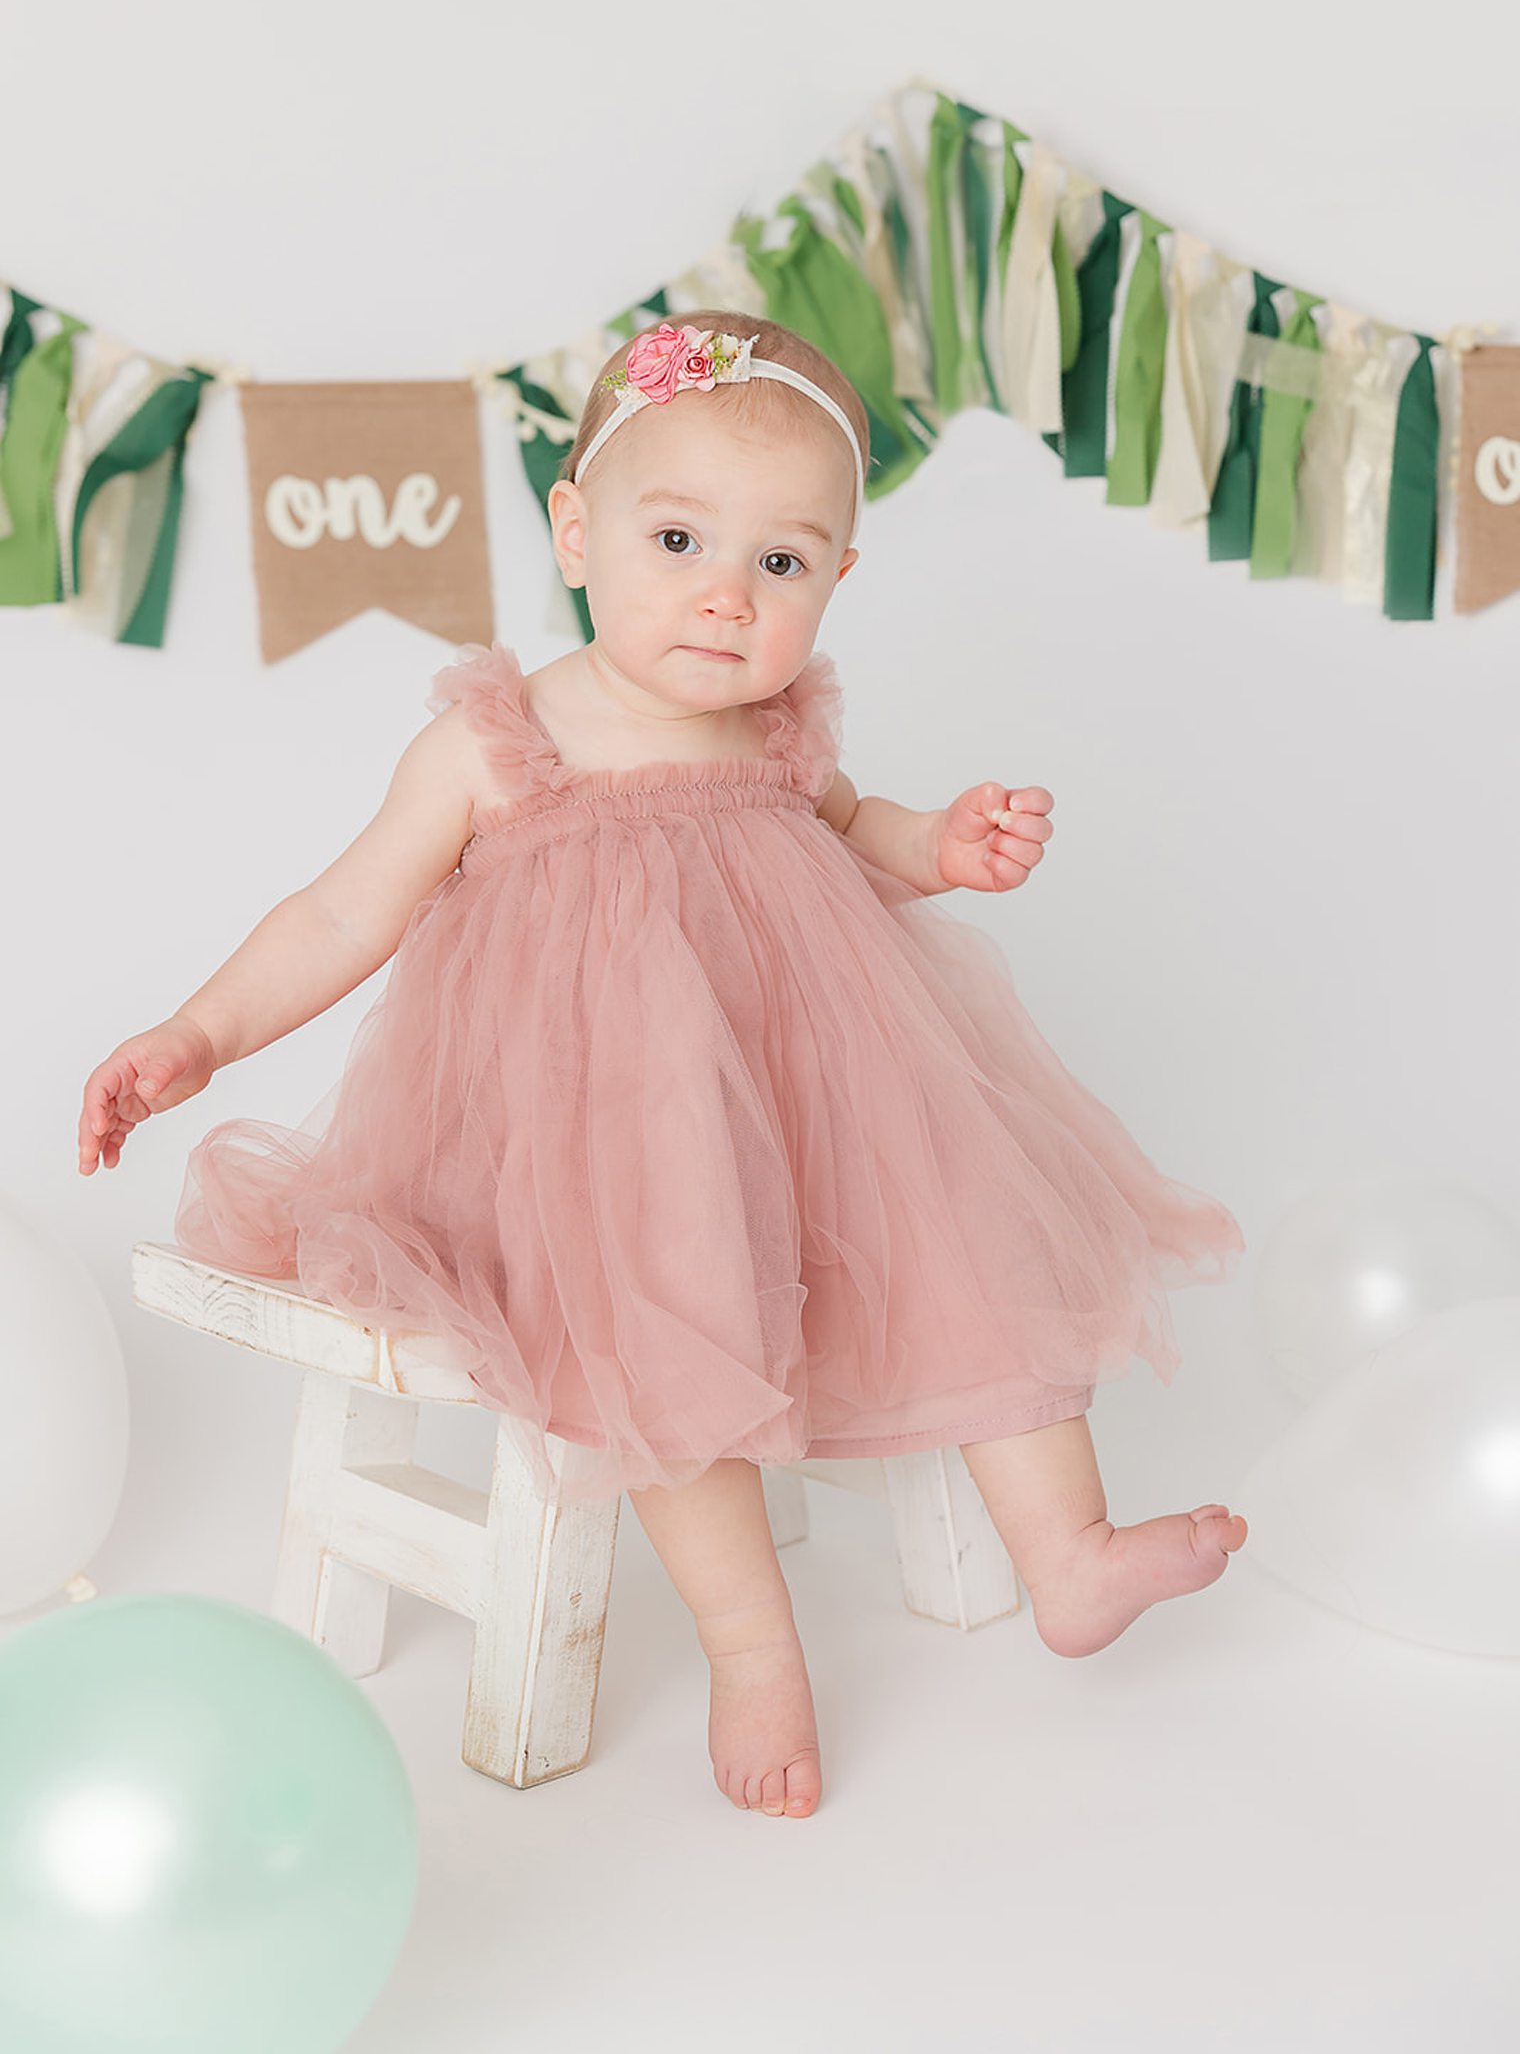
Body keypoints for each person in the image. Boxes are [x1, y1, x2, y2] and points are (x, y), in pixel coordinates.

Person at [78, 312, 1248, 1823]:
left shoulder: (776, 732)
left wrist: (937, 849)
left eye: (780, 565)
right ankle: (754, 1643)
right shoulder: (507, 738)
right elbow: (341, 910)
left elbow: (851, 838)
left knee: (971, 1230)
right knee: (668, 1320)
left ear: (834, 581)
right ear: (575, 532)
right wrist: (200, 1032)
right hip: (600, 1148)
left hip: (823, 1108)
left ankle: (1070, 1554)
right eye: (681, 539)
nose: (726, 599)